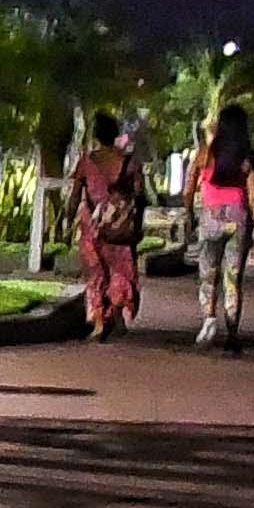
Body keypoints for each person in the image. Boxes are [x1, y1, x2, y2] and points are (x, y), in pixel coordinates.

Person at [186, 98, 254, 349]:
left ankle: (208, 320)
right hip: (238, 219)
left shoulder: (205, 154)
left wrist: (189, 215)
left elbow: (188, 189)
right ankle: (232, 330)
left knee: (208, 273)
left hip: (211, 218)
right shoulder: (245, 158)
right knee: (232, 277)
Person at [69, 109, 146, 337]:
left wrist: (67, 220)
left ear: (95, 134)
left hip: (91, 227)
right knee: (120, 270)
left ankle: (99, 320)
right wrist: (136, 224)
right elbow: (140, 195)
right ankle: (118, 314)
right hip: (120, 226)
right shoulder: (129, 162)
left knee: (96, 273)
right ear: (115, 134)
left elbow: (75, 195)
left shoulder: (86, 162)